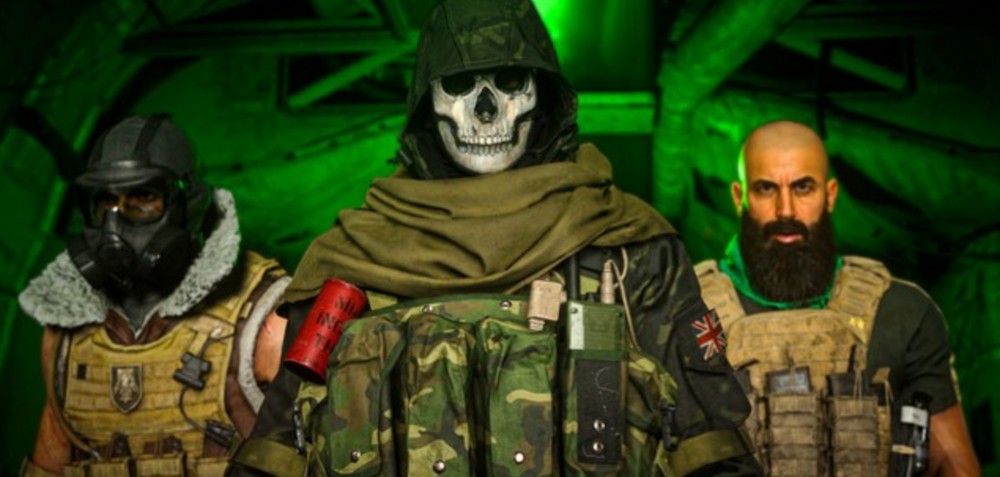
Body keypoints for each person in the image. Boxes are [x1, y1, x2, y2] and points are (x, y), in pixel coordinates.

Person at [227, 1, 761, 476]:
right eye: (460, 86)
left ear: (543, 98)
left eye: (510, 81)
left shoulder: (629, 247)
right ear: (427, 103)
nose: (486, 111)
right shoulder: (351, 262)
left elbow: (708, 448)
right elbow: (281, 450)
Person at [694, 120, 979, 476]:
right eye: (766, 188)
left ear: (830, 195)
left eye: (803, 187)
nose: (786, 210)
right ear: (740, 197)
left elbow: (953, 464)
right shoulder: (686, 313)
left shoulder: (901, 311)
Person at [18, 115, 291, 477]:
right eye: (104, 201)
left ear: (190, 206)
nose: (115, 225)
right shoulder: (67, 335)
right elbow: (50, 463)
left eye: (144, 197)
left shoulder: (263, 319)